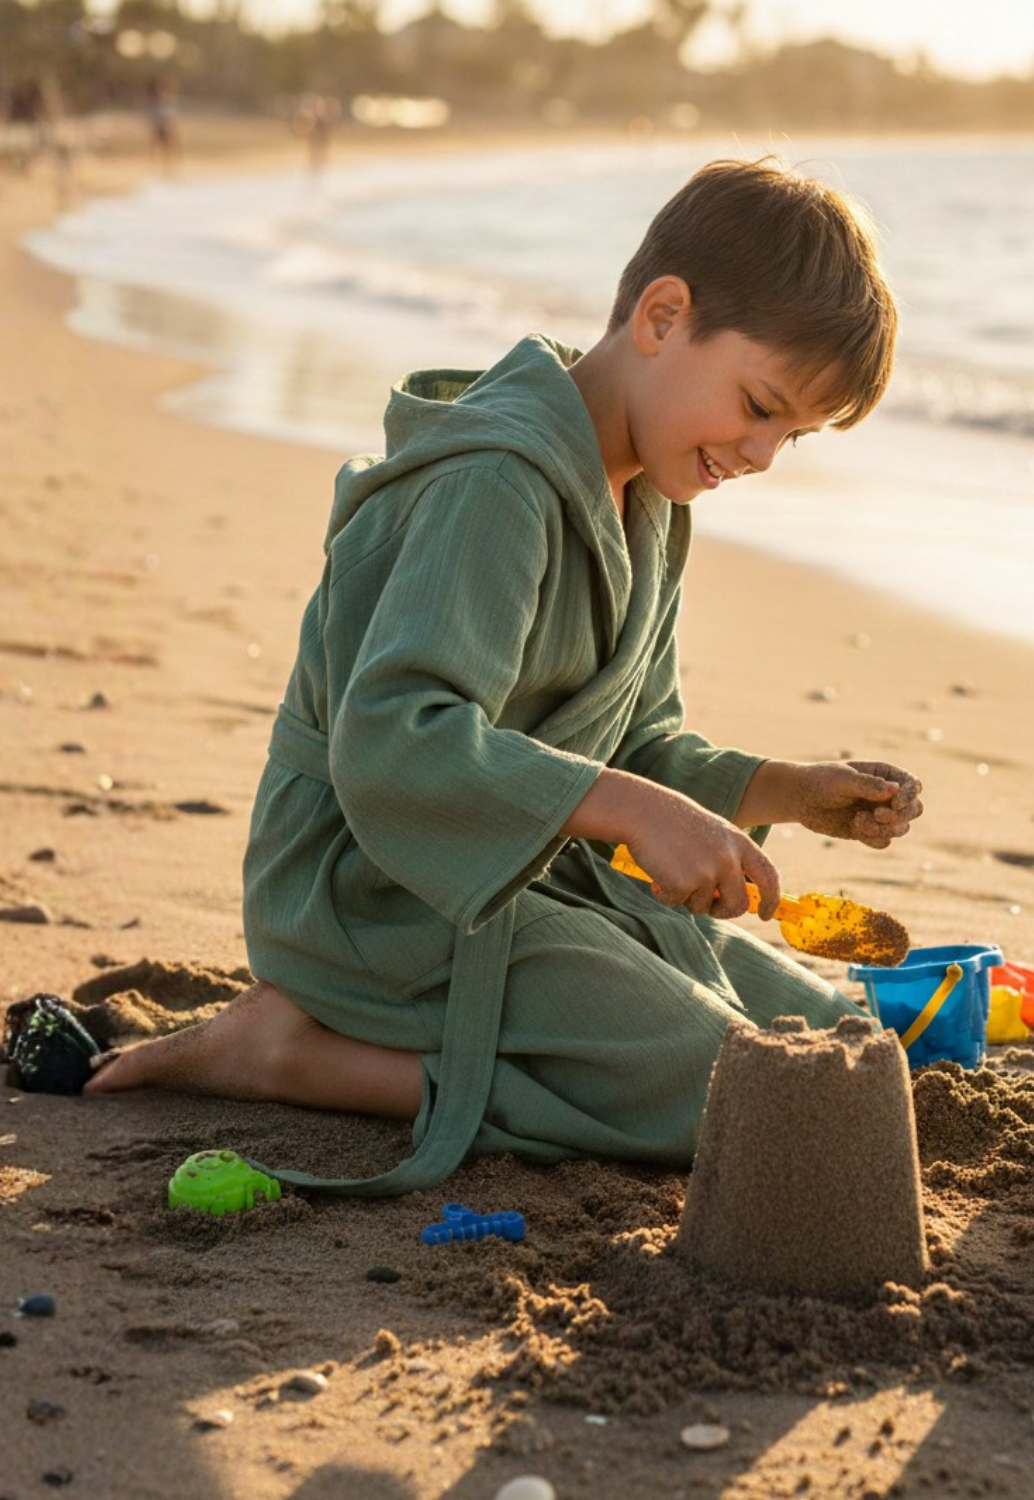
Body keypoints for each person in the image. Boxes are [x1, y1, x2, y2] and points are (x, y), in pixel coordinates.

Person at [86, 157, 920, 1194]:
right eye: (758, 406)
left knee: (832, 1037)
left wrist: (786, 792)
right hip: (370, 890)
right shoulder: (498, 482)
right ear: (662, 317)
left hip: (529, 875)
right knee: (738, 1094)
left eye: (789, 437)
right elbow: (397, 738)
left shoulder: (656, 499)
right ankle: (290, 1055)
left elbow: (635, 745)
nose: (759, 454)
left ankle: (388, 1039)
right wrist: (627, 808)